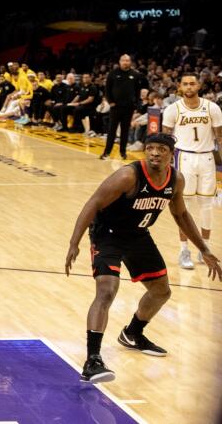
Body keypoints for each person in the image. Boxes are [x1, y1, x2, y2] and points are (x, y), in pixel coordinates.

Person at [65, 133, 221, 384]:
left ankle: (133, 333)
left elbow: (181, 214)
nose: (154, 153)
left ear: (172, 154)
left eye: (161, 149)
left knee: (161, 291)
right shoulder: (128, 176)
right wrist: (75, 242)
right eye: (150, 148)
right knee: (107, 291)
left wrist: (203, 248)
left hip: (138, 236)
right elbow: (93, 203)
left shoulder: (176, 180)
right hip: (108, 235)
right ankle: (92, 359)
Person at [161, 73, 222, 269]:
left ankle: (205, 248)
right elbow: (165, 139)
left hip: (207, 157)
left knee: (206, 205)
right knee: (182, 205)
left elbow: (220, 138)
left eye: (192, 83)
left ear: (199, 85)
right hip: (183, 157)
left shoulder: (212, 108)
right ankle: (183, 250)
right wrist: (164, 165)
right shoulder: (172, 109)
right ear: (180, 86)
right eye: (185, 84)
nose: (189, 87)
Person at [101, 54, 146, 160]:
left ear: (130, 62)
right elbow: (107, 89)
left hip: (128, 108)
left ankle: (123, 152)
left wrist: (136, 104)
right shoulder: (113, 73)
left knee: (125, 131)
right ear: (120, 61)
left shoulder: (135, 75)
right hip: (115, 107)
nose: (125, 62)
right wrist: (110, 101)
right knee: (112, 130)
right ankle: (107, 152)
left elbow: (137, 91)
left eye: (127, 60)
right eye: (123, 60)